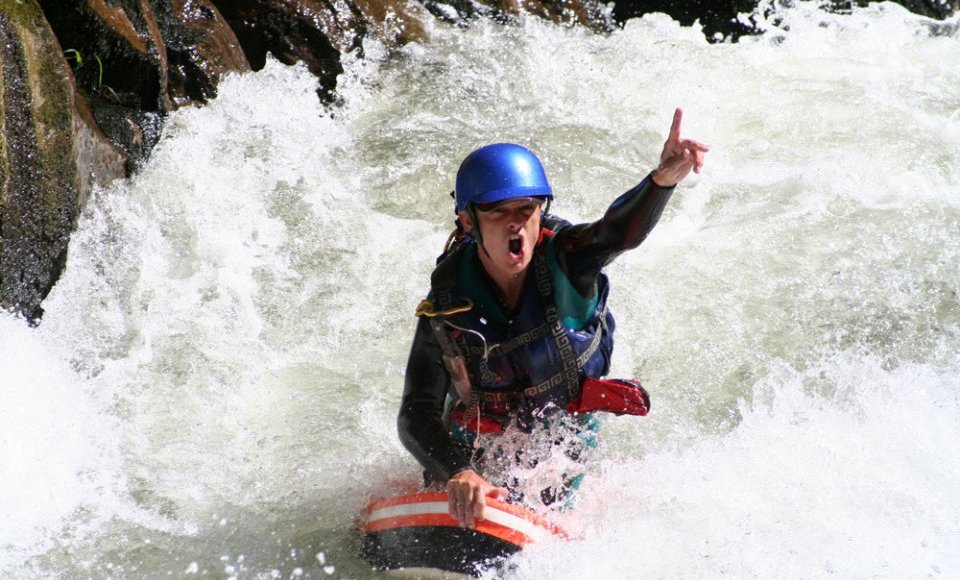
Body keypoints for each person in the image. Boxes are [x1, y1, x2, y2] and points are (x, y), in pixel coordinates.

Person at [398, 108, 708, 528]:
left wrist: (661, 181)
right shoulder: (446, 303)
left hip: (562, 428)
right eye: (498, 211)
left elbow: (617, 233)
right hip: (477, 435)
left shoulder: (570, 259)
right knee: (458, 484)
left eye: (527, 209)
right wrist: (457, 470)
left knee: (545, 503)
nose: (516, 224)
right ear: (468, 221)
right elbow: (416, 410)